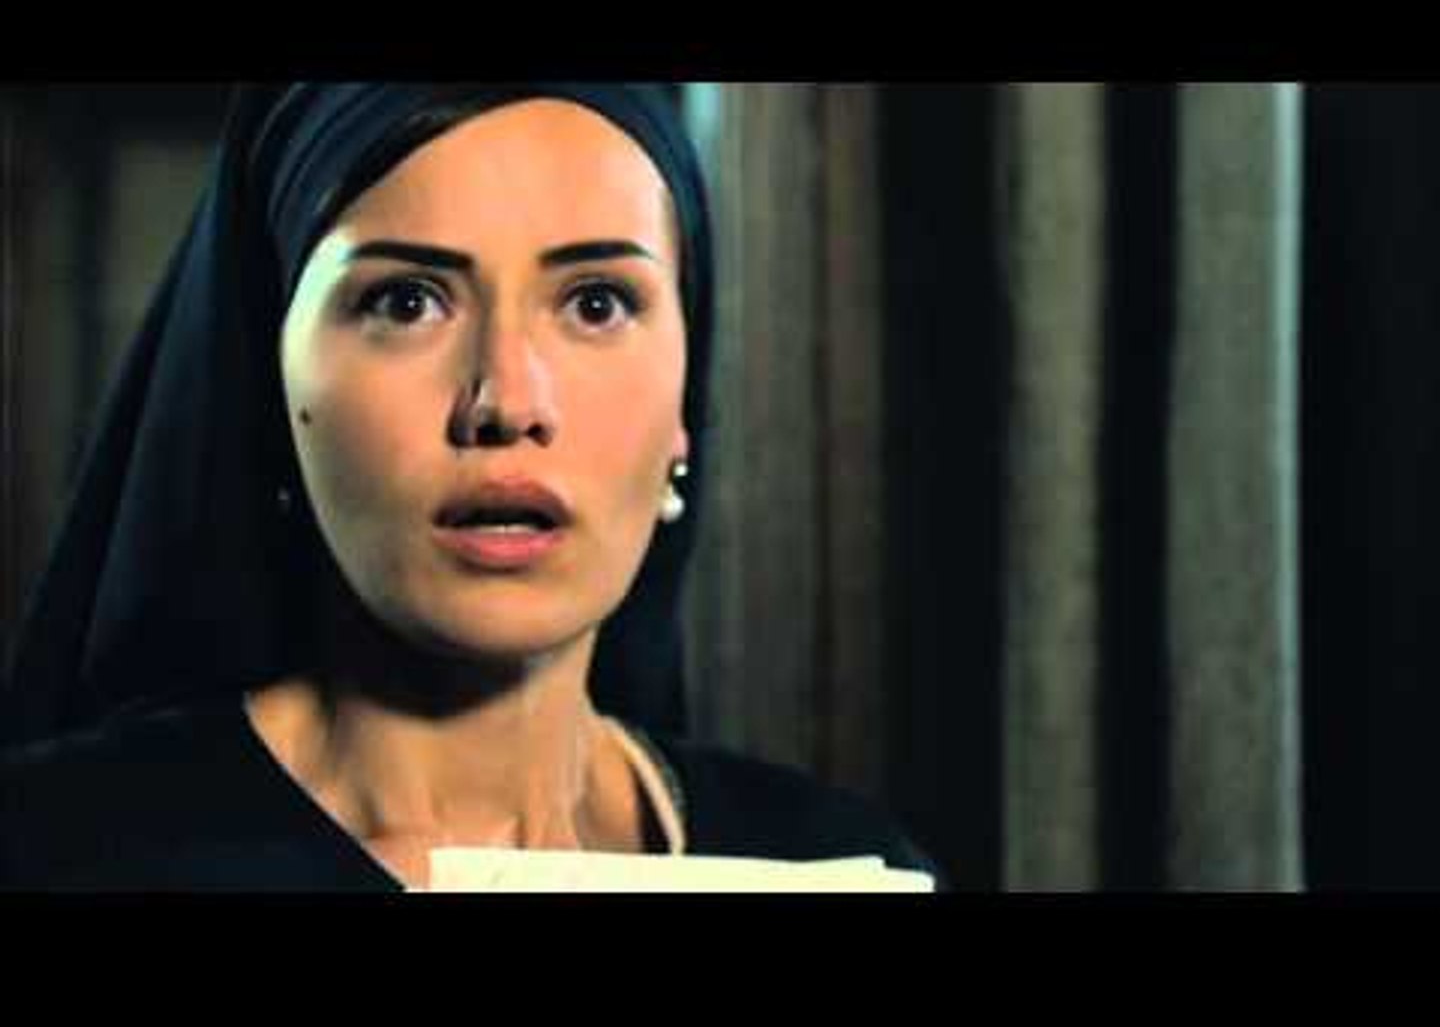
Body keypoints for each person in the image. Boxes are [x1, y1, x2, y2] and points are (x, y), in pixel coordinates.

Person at [0, 84, 940, 891]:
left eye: (597, 302)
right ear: (272, 386)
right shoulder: (52, 852)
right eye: (407, 301)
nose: (506, 404)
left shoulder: (831, 859)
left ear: (683, 411)